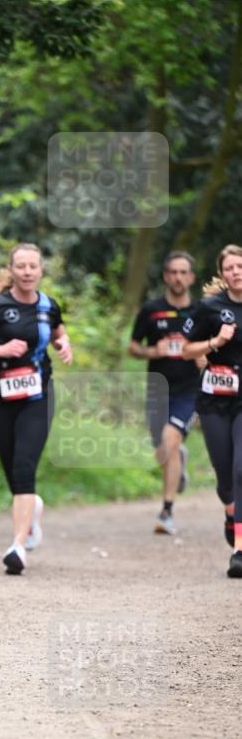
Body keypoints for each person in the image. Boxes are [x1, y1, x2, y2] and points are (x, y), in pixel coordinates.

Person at [0, 243, 72, 574]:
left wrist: (64, 346)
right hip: (0, 400)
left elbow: (60, 335)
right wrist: (1, 349)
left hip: (37, 398)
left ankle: (18, 546)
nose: (27, 272)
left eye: (33, 266)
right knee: (12, 469)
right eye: (21, 266)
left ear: (40, 270)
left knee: (24, 467)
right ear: (12, 269)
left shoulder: (49, 306)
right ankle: (31, 510)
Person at [129, 251, 200, 536]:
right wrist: (151, 350)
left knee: (170, 438)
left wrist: (202, 356)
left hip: (189, 390)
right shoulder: (151, 310)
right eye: (173, 272)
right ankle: (178, 462)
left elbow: (215, 346)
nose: (178, 277)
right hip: (158, 388)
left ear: (191, 277)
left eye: (183, 272)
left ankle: (167, 510)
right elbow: (133, 346)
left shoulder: (201, 312)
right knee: (164, 451)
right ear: (165, 276)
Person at [182, 244, 242, 579]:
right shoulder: (209, 308)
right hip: (216, 398)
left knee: (241, 470)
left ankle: (239, 549)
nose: (236, 272)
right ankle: (231, 513)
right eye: (230, 267)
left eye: (240, 266)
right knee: (224, 477)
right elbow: (186, 348)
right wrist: (215, 343)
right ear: (223, 273)